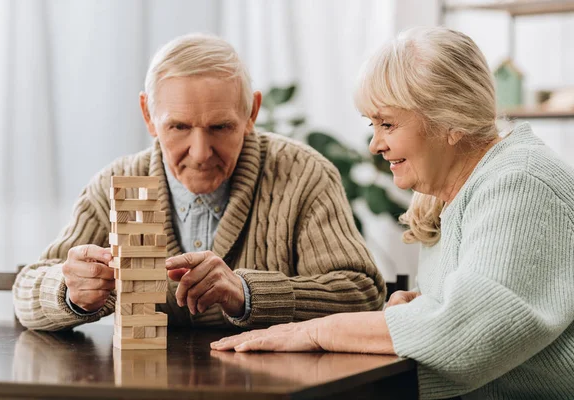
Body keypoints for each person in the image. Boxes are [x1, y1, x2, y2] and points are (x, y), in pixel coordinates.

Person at [211, 27, 574, 400]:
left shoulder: (521, 183)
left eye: (388, 124)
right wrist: (422, 308)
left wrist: (316, 330)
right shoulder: (463, 189)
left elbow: (467, 332)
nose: (375, 144)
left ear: (450, 120)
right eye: (373, 124)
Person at [13, 34, 386, 331]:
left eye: (220, 127)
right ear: (148, 114)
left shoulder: (304, 175)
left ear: (251, 112)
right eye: (178, 127)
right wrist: (70, 293)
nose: (200, 152)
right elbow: (26, 290)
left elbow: (363, 293)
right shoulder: (114, 184)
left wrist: (246, 293)